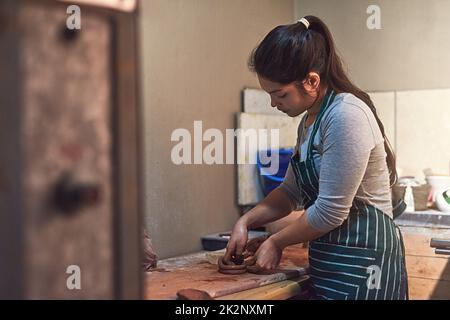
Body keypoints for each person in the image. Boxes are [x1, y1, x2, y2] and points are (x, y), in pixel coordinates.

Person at [224, 16, 408, 300]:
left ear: (311, 81)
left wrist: (276, 241)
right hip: (332, 266)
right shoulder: (310, 121)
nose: (274, 103)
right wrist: (245, 222)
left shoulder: (346, 115)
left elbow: (331, 211)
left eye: (279, 94)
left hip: (368, 266)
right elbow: (290, 192)